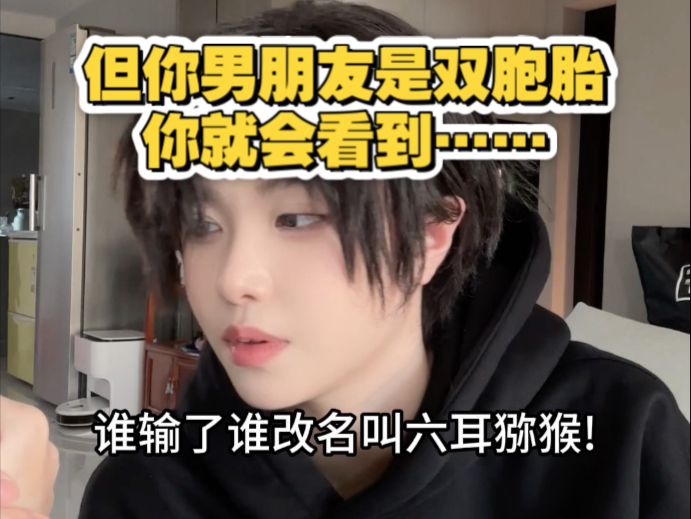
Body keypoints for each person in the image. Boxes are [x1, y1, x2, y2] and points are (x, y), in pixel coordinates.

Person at [1, 2, 688, 518]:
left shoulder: (618, 436)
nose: (233, 279)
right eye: (203, 224)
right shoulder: (148, 489)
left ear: (431, 237)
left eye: (297, 218)